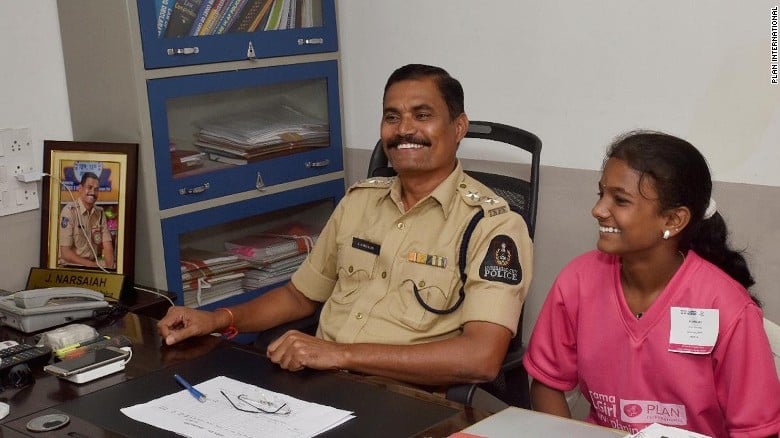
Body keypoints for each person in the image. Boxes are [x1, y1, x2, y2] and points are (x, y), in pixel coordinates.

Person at [158, 64, 533, 387]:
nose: (404, 130)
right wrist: (217, 318)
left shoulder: (492, 226)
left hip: (405, 400)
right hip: (315, 383)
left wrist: (340, 355)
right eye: (391, 117)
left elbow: (480, 358)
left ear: (458, 127)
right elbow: (299, 296)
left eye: (422, 115)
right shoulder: (359, 202)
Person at [523, 131, 780, 437]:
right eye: (600, 194)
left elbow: (757, 431)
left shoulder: (726, 307)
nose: (598, 210)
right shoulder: (578, 281)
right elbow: (548, 382)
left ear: (673, 220)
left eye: (620, 200)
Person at [58, 171, 115, 269]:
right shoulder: (69, 212)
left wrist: (109, 270)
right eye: (89, 187)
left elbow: (107, 244)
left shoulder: (100, 213)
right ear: (80, 188)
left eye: (96, 189)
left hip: (92, 266)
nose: (93, 192)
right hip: (71, 267)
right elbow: (65, 253)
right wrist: (94, 267)